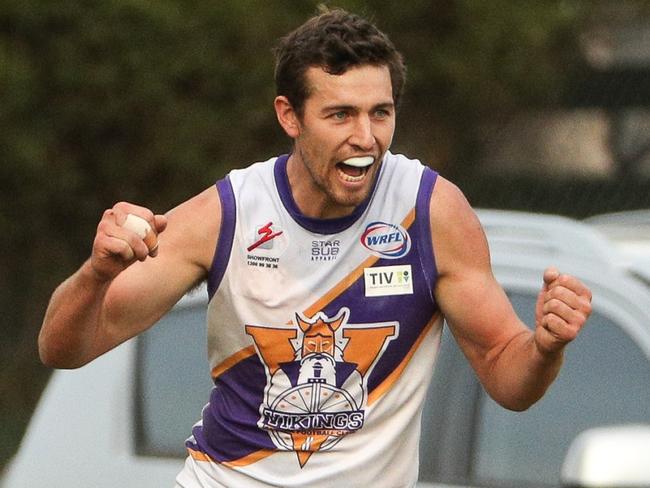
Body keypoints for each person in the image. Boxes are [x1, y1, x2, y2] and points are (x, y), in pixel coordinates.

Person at [38, 7, 592, 488]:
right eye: (340, 115)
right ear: (289, 116)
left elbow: (505, 373)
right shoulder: (227, 213)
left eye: (381, 112)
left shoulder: (430, 211)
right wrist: (95, 274)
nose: (366, 137)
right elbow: (64, 349)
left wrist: (544, 347)